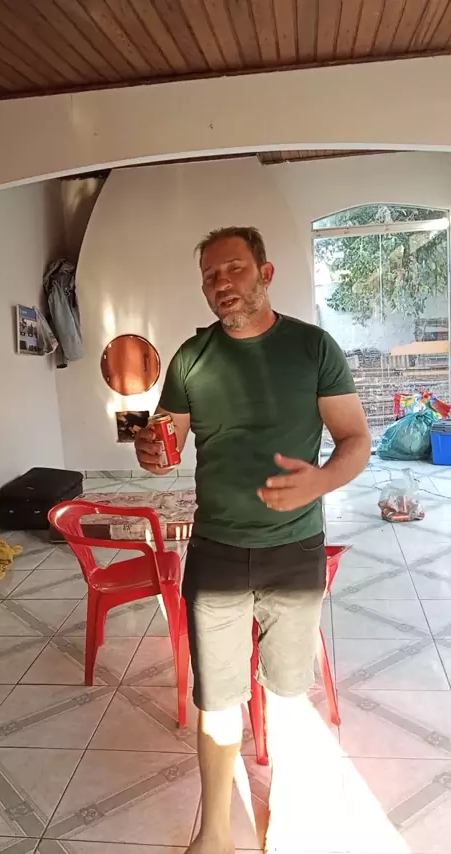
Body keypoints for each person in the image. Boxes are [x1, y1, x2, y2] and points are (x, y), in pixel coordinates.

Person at [135, 226, 371, 854]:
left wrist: (320, 481)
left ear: (265, 274)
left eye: (234, 268)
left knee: (288, 695)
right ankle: (215, 832)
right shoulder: (191, 358)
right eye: (211, 275)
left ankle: (286, 814)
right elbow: (165, 441)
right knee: (217, 701)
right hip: (215, 551)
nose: (222, 283)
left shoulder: (313, 347)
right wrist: (151, 452)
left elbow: (355, 440)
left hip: (294, 550)